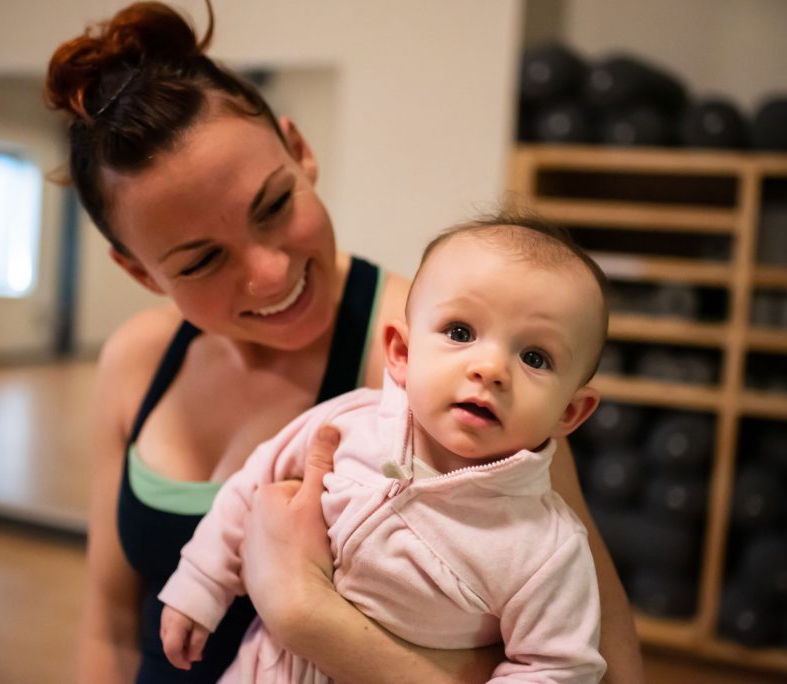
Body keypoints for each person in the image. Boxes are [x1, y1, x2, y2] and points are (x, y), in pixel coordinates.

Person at [44, 1, 644, 682]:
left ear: (301, 153)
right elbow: (112, 630)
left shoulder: (453, 362)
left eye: (274, 206)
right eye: (200, 261)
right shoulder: (135, 359)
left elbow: (600, 665)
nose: (269, 273)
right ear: (138, 271)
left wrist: (301, 611)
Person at [159, 217, 610, 683]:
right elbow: (254, 482)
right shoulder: (350, 423)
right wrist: (201, 585)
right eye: (460, 332)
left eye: (534, 357)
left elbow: (557, 667)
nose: (491, 368)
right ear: (400, 352)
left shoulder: (544, 549)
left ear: (570, 414)